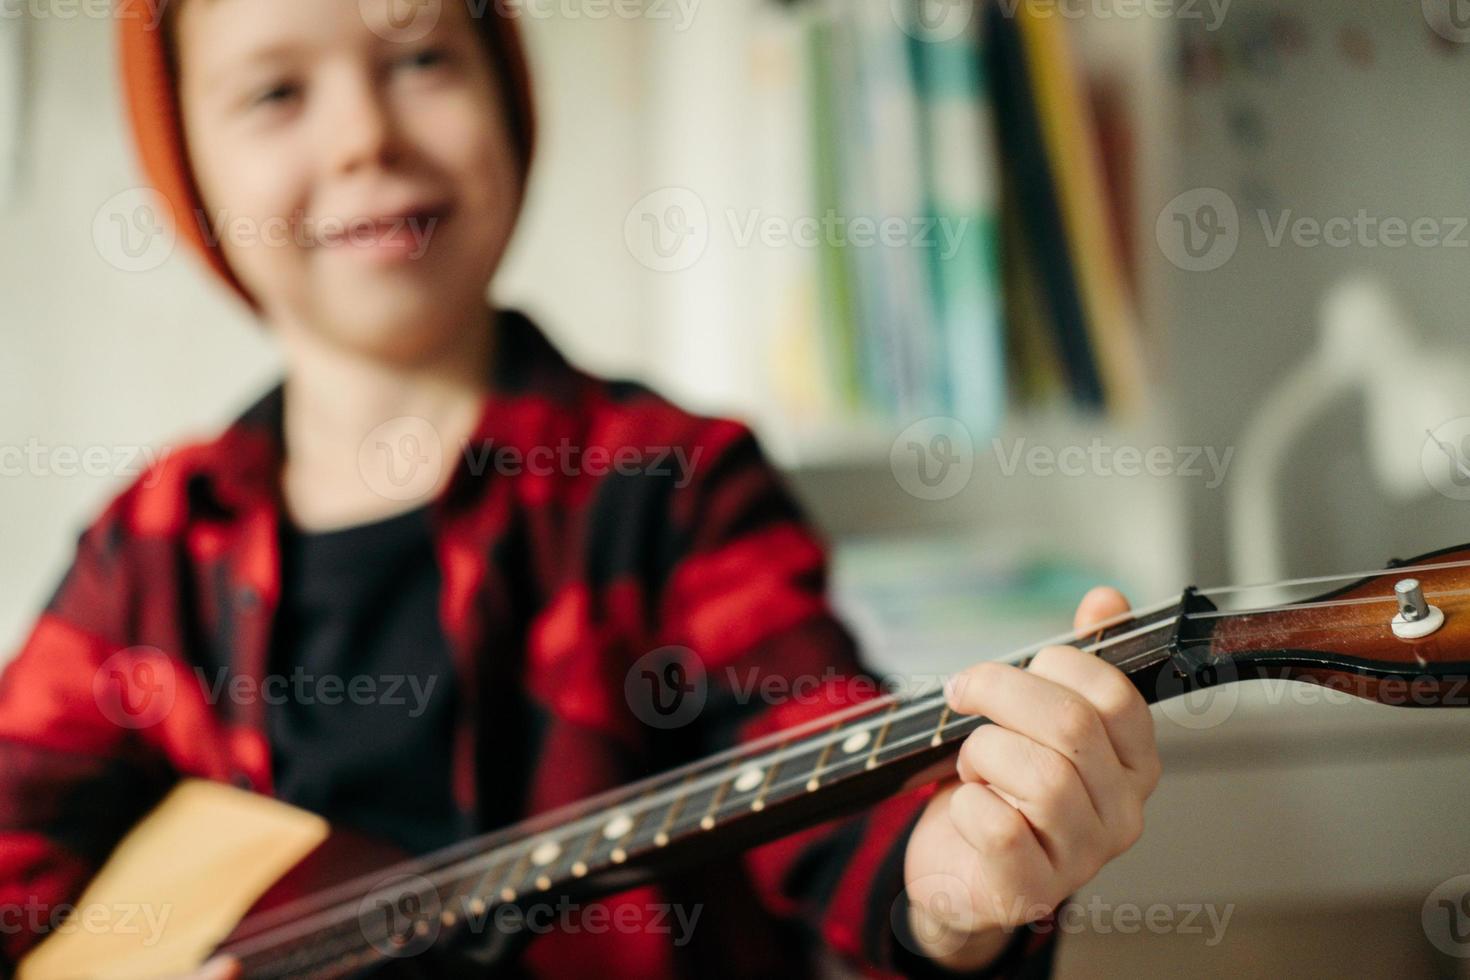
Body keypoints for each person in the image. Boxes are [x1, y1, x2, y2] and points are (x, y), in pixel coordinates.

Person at [0, 1, 1160, 977]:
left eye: (420, 58)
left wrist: (951, 878)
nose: (364, 134)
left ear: (507, 99)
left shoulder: (673, 485)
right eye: (274, 93)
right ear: (188, 174)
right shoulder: (148, 548)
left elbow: (825, 774)